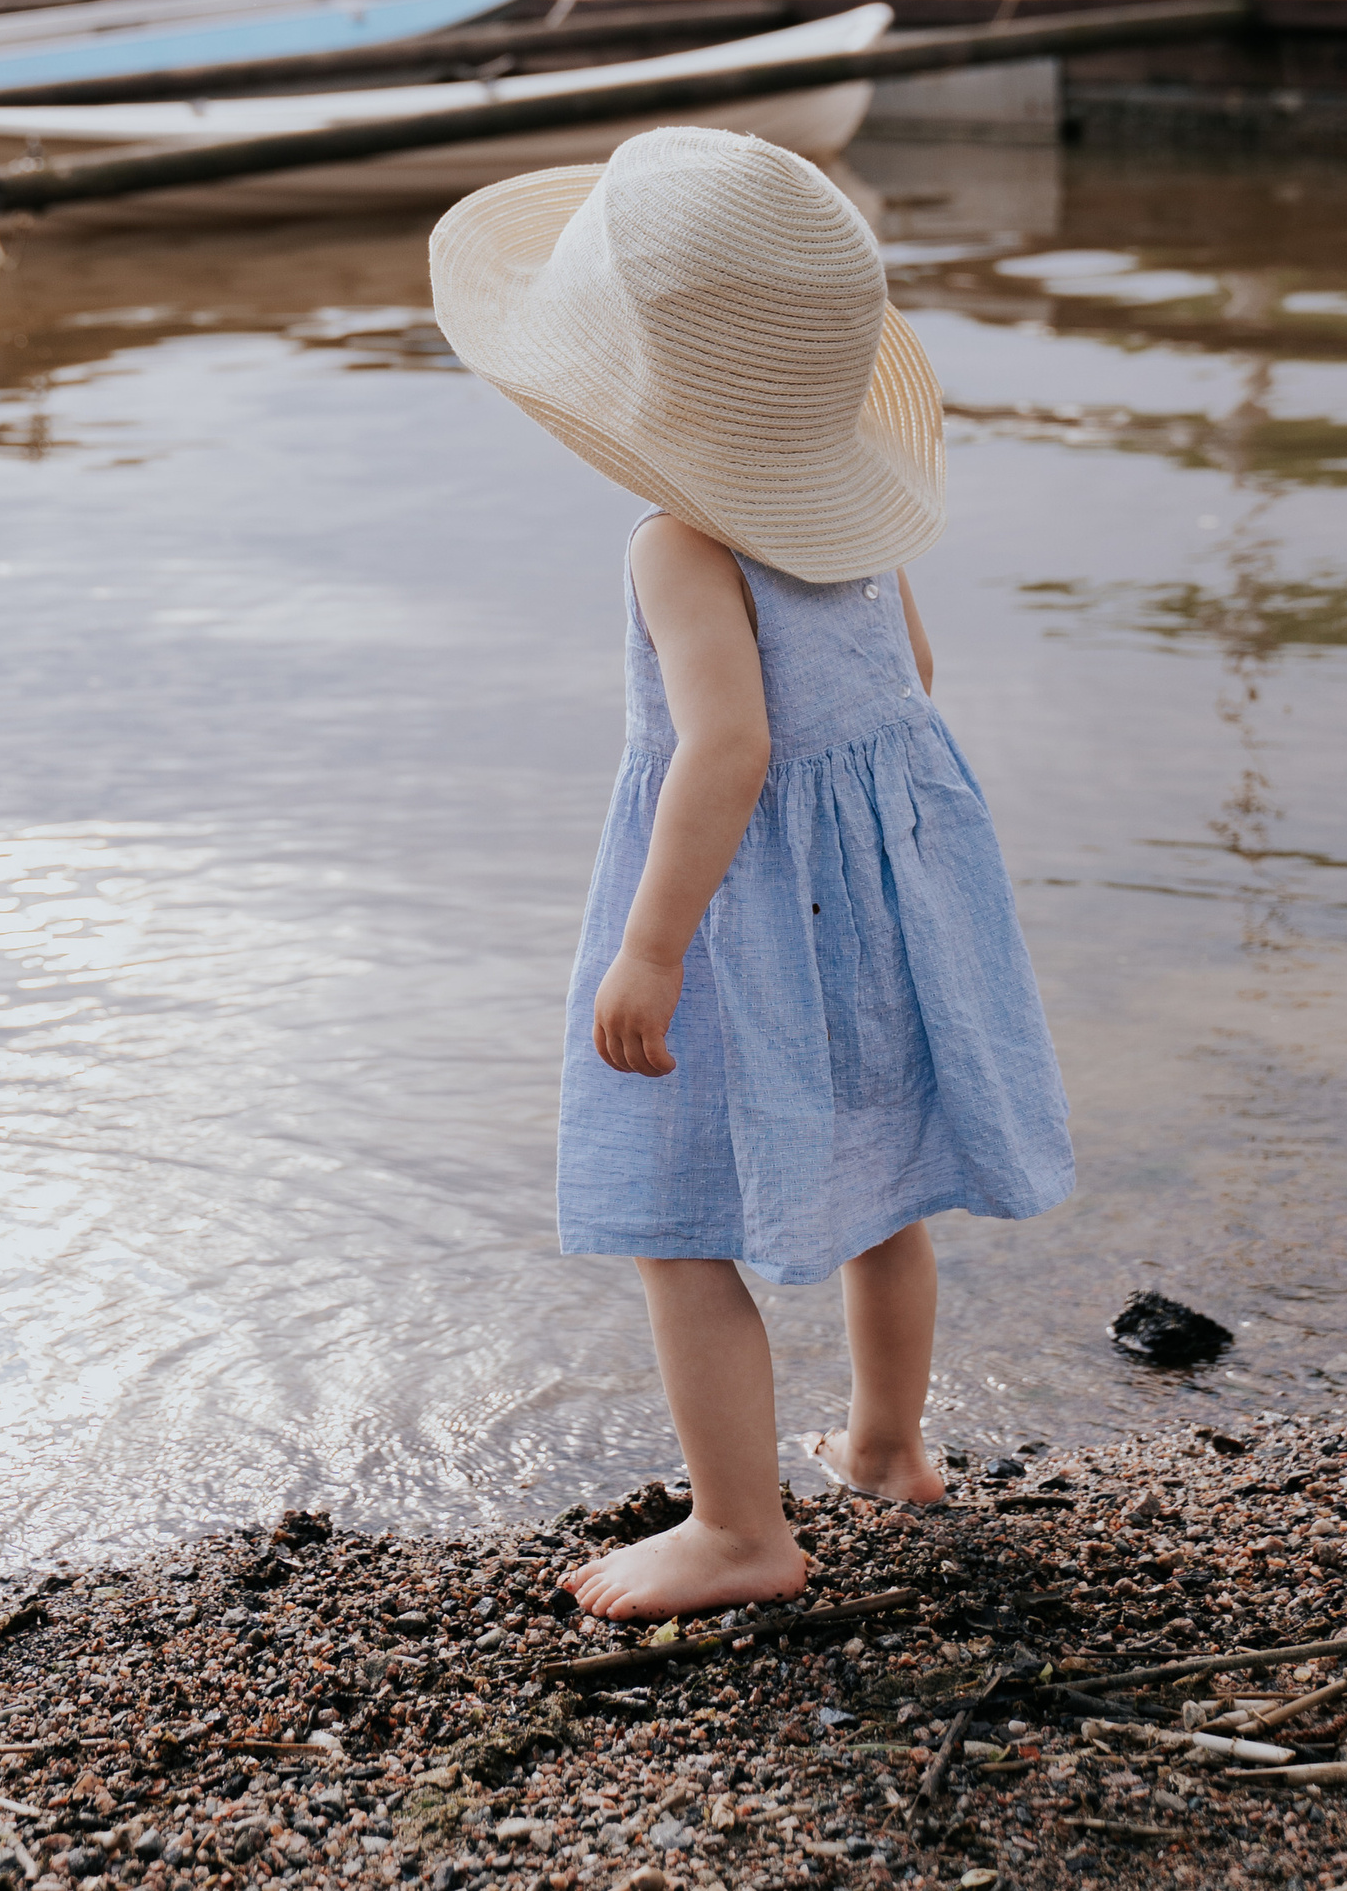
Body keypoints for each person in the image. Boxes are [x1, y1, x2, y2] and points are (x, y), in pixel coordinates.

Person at [428, 124, 1073, 1622]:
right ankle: (888, 1446)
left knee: (674, 1212)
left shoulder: (679, 545)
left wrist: (650, 949)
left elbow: (726, 752)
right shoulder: (851, 525)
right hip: (888, 896)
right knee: (884, 1186)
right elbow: (909, 674)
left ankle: (739, 1531)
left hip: (737, 911)